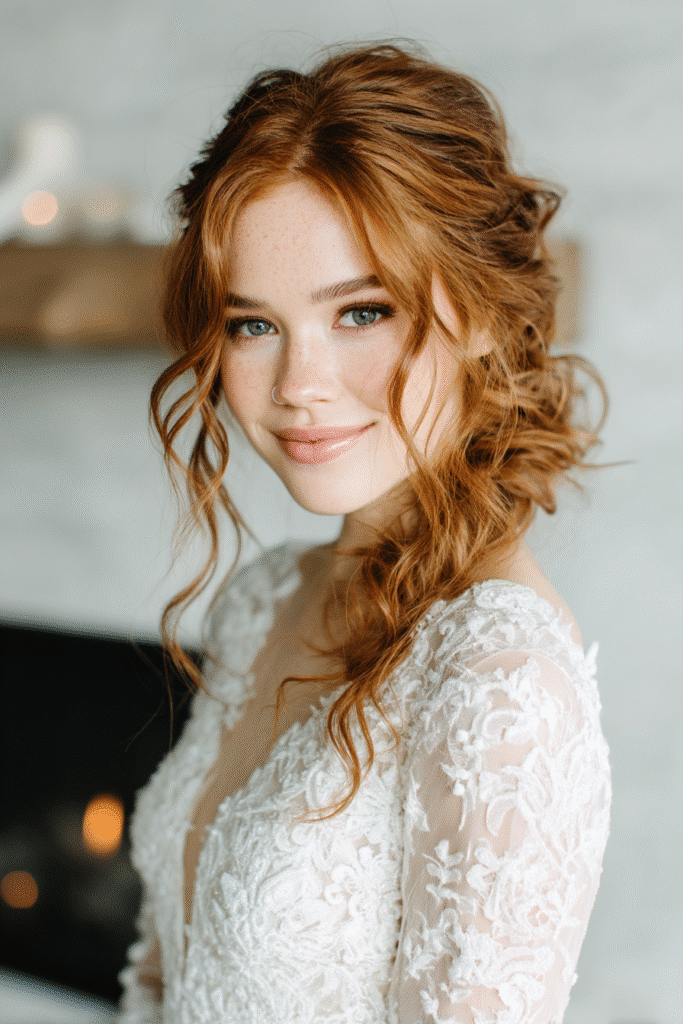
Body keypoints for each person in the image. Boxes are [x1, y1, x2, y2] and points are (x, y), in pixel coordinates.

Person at [118, 40, 612, 1024]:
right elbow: (161, 977)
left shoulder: (497, 678)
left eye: (362, 310)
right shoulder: (264, 596)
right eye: (252, 324)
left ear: (475, 310)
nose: (298, 385)